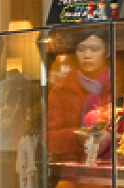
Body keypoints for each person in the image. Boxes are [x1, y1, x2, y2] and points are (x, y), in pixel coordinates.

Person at [47, 28, 112, 162]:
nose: (87, 55)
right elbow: (48, 138)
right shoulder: (61, 91)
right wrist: (78, 136)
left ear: (107, 52)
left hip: (115, 169)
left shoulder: (119, 85)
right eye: (81, 49)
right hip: (74, 171)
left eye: (94, 49)